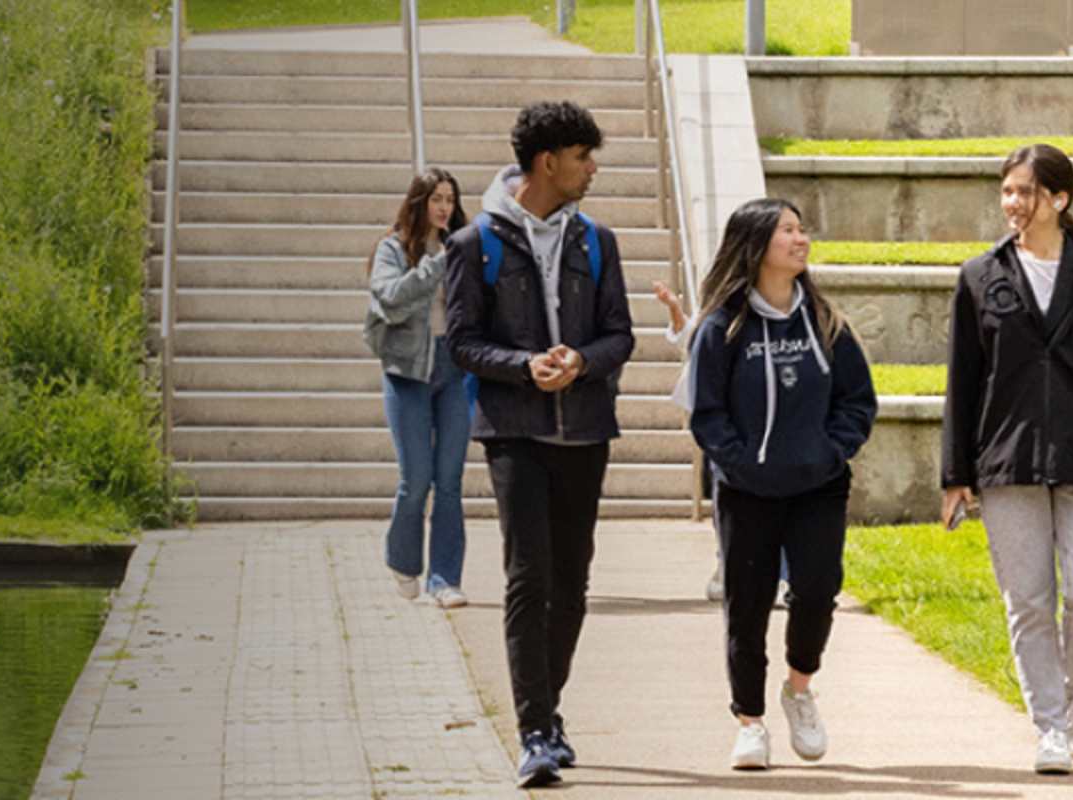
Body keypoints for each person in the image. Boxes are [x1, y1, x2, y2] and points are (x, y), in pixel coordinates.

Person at [938, 143, 1073, 775]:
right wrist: (957, 475)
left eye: (1024, 191)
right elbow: (963, 382)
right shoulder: (980, 277)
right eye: (1006, 191)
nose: (1012, 202)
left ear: (1058, 199)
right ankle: (1051, 726)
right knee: (1028, 602)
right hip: (1007, 463)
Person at [441, 100, 634, 789]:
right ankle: (533, 732)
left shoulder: (597, 242)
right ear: (547, 162)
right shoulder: (475, 244)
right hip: (514, 432)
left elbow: (621, 334)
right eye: (583, 157)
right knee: (529, 576)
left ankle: (547, 713)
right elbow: (463, 342)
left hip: (584, 429)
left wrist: (581, 361)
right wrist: (525, 366)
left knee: (573, 578)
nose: (592, 170)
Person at [680, 198, 875, 771]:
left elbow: (858, 400)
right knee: (747, 608)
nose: (800, 238)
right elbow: (706, 412)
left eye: (801, 228)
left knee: (817, 590)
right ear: (757, 244)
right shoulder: (723, 326)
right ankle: (750, 724)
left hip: (818, 485)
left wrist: (831, 451)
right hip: (746, 490)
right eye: (787, 230)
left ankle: (798, 689)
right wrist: (740, 465)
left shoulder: (826, 322)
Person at [366, 168, 474, 608]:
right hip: (406, 372)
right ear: (419, 203)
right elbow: (390, 298)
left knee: (449, 480)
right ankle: (403, 560)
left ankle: (445, 578)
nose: (445, 207)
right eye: (436, 199)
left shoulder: (461, 248)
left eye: (450, 198)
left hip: (453, 369)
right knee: (417, 480)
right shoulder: (393, 249)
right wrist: (435, 265)